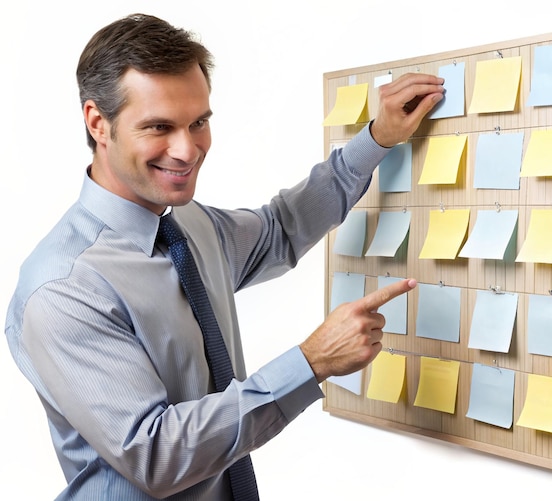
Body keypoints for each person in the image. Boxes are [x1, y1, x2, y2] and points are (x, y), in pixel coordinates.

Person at [4, 13, 444, 500]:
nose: (187, 149)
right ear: (97, 123)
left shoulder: (190, 226)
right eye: (159, 127)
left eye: (199, 122)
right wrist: (310, 362)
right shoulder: (62, 289)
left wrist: (376, 139)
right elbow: (156, 454)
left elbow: (280, 228)